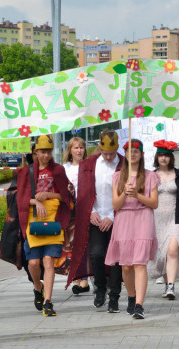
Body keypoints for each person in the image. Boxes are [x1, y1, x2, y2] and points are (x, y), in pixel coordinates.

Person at [68, 129, 124, 313]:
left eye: (112, 153)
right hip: (96, 217)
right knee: (97, 254)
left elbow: (126, 194)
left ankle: (114, 295)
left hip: (118, 216)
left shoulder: (123, 165)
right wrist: (91, 211)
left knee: (116, 259)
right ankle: (100, 286)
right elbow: (84, 192)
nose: (108, 157)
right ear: (99, 147)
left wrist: (112, 215)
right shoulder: (89, 164)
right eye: (105, 153)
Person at [16, 135, 72, 316]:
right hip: (33, 221)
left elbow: (67, 197)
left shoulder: (58, 170)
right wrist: (35, 201)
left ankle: (48, 300)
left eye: (48, 151)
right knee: (33, 263)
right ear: (36, 152)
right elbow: (19, 199)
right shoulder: (27, 172)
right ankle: (37, 286)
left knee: (49, 261)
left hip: (53, 221)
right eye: (42, 152)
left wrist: (48, 195)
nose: (45, 155)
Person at [106, 139, 159, 319]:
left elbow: (154, 203)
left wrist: (136, 194)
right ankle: (131, 295)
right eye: (129, 151)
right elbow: (116, 204)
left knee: (139, 263)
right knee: (126, 266)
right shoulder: (118, 176)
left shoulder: (150, 176)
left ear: (142, 154)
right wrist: (124, 193)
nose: (133, 154)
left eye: (136, 151)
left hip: (143, 218)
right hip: (124, 220)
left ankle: (139, 305)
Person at [148, 140, 179, 300]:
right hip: (156, 218)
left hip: (174, 218)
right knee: (162, 253)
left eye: (166, 155)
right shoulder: (151, 175)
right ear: (157, 157)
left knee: (172, 250)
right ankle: (167, 283)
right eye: (161, 155)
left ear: (171, 157)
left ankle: (171, 285)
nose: (164, 158)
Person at [63, 137, 89, 295]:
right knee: (72, 245)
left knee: (84, 244)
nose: (79, 150)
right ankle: (76, 277)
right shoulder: (64, 168)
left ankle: (84, 279)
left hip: (85, 209)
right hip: (70, 211)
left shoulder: (88, 167)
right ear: (70, 150)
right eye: (76, 148)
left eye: (81, 147)